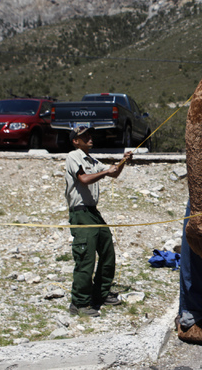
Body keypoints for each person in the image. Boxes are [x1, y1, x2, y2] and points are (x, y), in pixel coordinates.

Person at [64, 126, 132, 317]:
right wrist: (106, 172)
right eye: (84, 136)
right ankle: (79, 303)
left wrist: (123, 161)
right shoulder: (73, 156)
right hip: (81, 213)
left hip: (93, 212)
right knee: (86, 256)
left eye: (89, 134)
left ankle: (101, 293)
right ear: (75, 141)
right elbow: (84, 179)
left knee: (107, 250)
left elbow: (113, 173)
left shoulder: (92, 160)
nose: (89, 138)